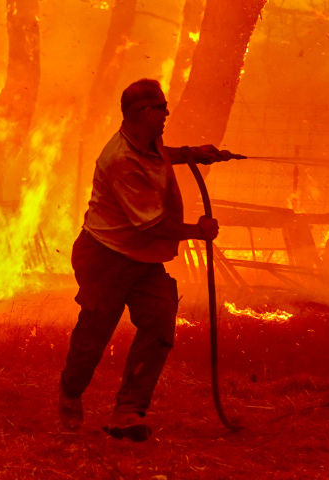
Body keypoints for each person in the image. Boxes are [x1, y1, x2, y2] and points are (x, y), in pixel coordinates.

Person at [59, 78, 235, 442]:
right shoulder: (120, 160)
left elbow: (159, 154)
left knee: (159, 323)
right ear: (143, 113)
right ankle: (70, 393)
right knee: (95, 334)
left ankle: (128, 411)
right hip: (105, 257)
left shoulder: (145, 139)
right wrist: (198, 230)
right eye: (162, 109)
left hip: (141, 259)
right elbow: (152, 226)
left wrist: (192, 153)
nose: (167, 114)